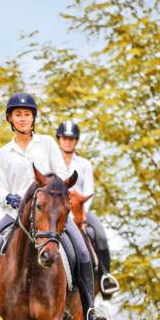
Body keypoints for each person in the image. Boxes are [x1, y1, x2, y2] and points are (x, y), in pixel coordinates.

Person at [0, 93, 109, 320]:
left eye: (27, 114)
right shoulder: (4, 152)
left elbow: (61, 175)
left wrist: (49, 194)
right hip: (15, 215)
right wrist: (8, 197)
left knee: (82, 251)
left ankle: (91, 311)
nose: (22, 118)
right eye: (18, 114)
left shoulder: (48, 143)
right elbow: (0, 188)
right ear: (10, 118)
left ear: (33, 118)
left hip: (49, 214)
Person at [56, 120, 120, 297]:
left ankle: (105, 276)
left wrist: (82, 212)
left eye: (71, 139)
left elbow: (89, 190)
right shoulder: (52, 162)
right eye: (65, 138)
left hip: (79, 209)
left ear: (76, 141)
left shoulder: (84, 164)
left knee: (98, 234)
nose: (68, 142)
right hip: (57, 210)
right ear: (59, 139)